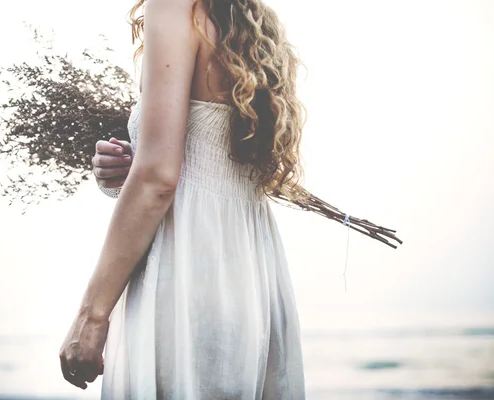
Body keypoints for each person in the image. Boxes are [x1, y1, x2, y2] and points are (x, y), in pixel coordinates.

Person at [59, 0, 307, 398]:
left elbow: (159, 179)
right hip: (246, 274)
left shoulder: (175, 6)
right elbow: (204, 161)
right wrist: (129, 163)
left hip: (185, 271)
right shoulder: (243, 20)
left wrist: (92, 315)